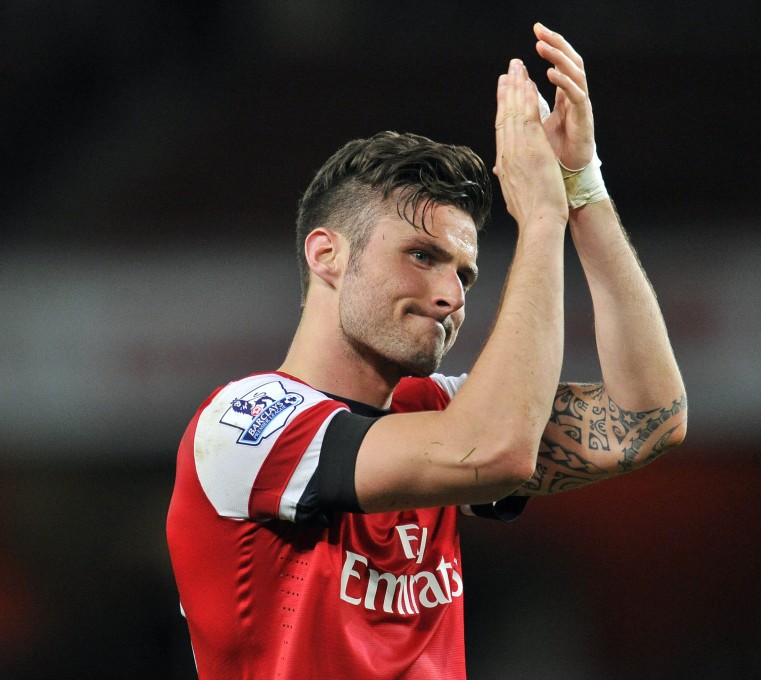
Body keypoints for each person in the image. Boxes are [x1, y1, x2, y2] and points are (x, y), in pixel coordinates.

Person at [166, 22, 687, 679]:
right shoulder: (247, 424)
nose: (450, 295)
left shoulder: (431, 409)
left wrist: (582, 189)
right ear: (327, 254)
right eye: (421, 256)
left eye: (465, 274)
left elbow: (648, 418)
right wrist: (542, 220)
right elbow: (495, 448)